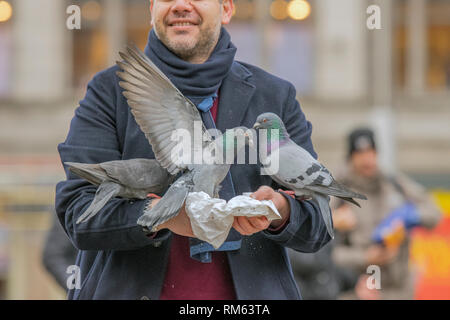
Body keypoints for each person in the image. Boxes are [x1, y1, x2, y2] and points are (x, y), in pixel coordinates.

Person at [55, 0, 331, 300]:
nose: (180, 6)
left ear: (226, 9)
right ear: (151, 9)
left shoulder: (275, 96)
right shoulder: (109, 91)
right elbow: (78, 215)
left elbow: (318, 222)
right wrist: (162, 215)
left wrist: (278, 209)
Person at [331, 128, 441, 300]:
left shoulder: (393, 183)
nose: (367, 159)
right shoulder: (338, 193)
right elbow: (323, 255)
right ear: (351, 157)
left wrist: (408, 218)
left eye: (371, 152)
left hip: (399, 288)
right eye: (360, 154)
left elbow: (434, 213)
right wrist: (365, 257)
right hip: (358, 290)